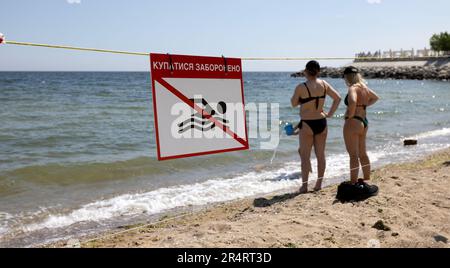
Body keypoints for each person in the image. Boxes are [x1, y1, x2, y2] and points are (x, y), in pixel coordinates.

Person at [291, 61, 341, 193]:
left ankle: (304, 186)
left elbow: (293, 104)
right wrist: (330, 114)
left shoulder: (301, 87)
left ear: (306, 71)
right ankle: (319, 184)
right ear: (318, 71)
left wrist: (303, 100)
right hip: (321, 122)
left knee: (305, 156)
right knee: (320, 155)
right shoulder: (324, 84)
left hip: (307, 123)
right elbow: (338, 98)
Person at [343, 66, 380, 196]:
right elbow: (375, 97)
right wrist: (364, 106)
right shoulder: (364, 87)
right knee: (363, 153)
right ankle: (366, 179)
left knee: (353, 155)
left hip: (353, 122)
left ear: (347, 77)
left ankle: (353, 183)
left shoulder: (353, 88)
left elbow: (352, 101)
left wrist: (350, 115)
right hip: (364, 121)